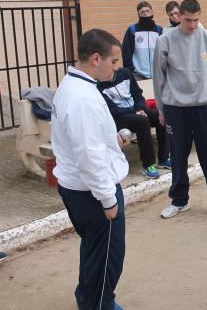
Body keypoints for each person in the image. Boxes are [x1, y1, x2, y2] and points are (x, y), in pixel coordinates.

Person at [51, 29, 129, 310]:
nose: (117, 68)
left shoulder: (74, 85)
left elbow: (86, 142)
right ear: (96, 58)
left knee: (95, 252)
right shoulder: (82, 98)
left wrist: (112, 142)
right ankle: (98, 304)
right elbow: (88, 156)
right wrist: (108, 199)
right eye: (114, 61)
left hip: (81, 187)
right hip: (92, 194)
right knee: (108, 257)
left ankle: (90, 298)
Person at [153, 0, 207, 220]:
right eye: (187, 20)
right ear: (178, 17)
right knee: (179, 156)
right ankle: (179, 201)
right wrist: (161, 109)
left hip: (204, 107)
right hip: (175, 108)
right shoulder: (165, 41)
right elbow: (159, 77)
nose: (192, 25)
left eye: (196, 20)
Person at [97, 66, 170, 179]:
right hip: (118, 117)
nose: (114, 66)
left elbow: (137, 94)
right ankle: (148, 165)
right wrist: (135, 112)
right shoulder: (97, 84)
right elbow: (112, 110)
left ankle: (164, 158)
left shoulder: (125, 73)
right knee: (142, 121)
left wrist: (139, 108)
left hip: (135, 109)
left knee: (160, 116)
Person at [122, 1, 163, 80]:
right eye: (142, 12)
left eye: (147, 11)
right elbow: (126, 52)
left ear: (152, 12)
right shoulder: (132, 30)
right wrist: (130, 70)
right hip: (138, 75)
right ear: (138, 14)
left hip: (157, 74)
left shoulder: (159, 30)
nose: (145, 13)